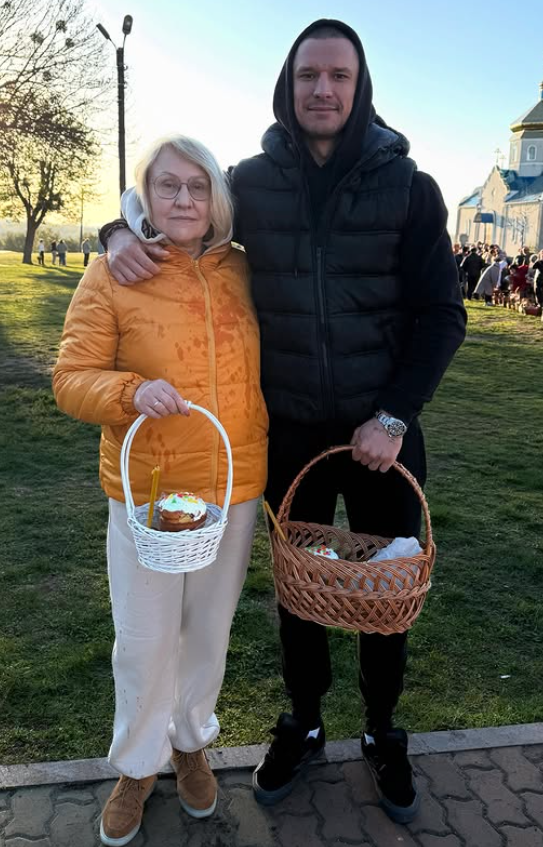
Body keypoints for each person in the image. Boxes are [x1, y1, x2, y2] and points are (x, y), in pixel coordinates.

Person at [102, 19, 466, 825]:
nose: (322, 90)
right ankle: (302, 721)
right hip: (292, 430)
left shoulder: (411, 188)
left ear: (360, 87)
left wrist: (393, 414)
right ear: (287, 84)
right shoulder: (253, 183)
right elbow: (173, 204)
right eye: (309, 75)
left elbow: (444, 314)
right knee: (301, 590)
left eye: (339, 76)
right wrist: (116, 229)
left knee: (383, 587)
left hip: (382, 433)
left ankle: (382, 728)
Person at [52, 135, 269, 846]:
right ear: (144, 197)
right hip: (148, 493)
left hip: (233, 488)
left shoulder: (242, 270)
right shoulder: (113, 271)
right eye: (168, 185)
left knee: (207, 633)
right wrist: (129, 391)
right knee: (144, 639)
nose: (183, 199)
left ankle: (190, 741)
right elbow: (70, 378)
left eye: (197, 186)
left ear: (217, 200)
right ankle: (138, 766)